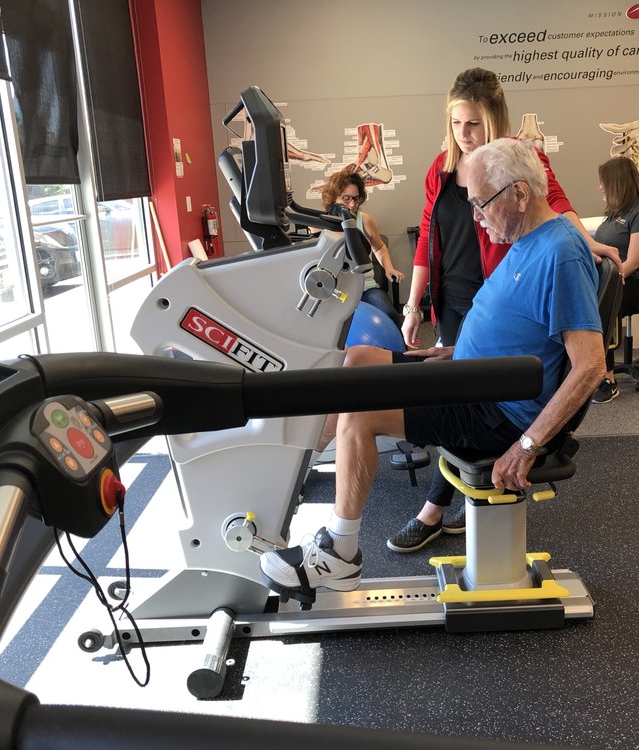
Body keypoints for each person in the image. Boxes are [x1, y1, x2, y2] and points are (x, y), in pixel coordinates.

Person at [259, 138, 606, 596]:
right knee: (356, 360)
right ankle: (290, 480)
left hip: (496, 412)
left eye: (481, 204)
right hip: (472, 376)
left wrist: (527, 445)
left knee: (359, 413)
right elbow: (522, 328)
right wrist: (460, 351)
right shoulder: (527, 240)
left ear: (520, 194)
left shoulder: (561, 252)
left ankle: (339, 555)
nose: (477, 217)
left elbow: (590, 365)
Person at [392, 67, 617, 553]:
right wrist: (413, 305)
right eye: (456, 124)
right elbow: (428, 232)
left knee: (379, 406)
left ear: (493, 119)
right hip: (462, 298)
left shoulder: (518, 171)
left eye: (473, 124)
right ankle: (451, 504)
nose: (463, 134)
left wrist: (583, 243)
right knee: (373, 369)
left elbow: (551, 202)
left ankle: (434, 509)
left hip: (502, 291)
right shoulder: (442, 169)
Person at [590, 156, 639, 405]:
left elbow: (634, 262)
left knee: (599, 312)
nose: (600, 187)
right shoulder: (614, 214)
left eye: (603, 182)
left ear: (617, 182)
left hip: (631, 283)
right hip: (611, 281)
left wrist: (610, 283)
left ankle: (607, 380)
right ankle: (586, 371)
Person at [320, 169, 404, 324]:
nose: (352, 205)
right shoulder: (318, 226)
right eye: (346, 199)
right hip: (334, 291)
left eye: (356, 199)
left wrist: (389, 268)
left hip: (365, 287)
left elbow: (379, 247)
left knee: (389, 317)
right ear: (333, 197)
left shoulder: (365, 220)